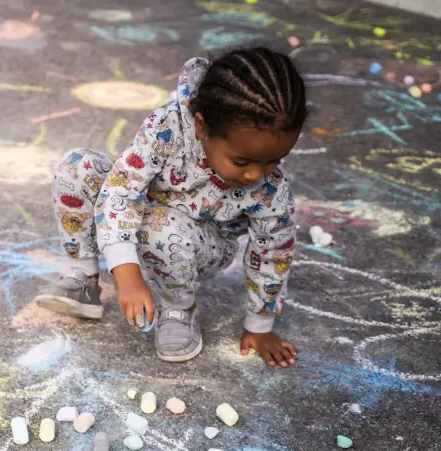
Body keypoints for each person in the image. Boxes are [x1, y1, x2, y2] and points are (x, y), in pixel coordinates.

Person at [36, 48, 305, 367]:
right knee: (77, 167)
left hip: (201, 246)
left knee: (159, 224)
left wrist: (260, 327)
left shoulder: (269, 187)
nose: (255, 174)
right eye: (241, 161)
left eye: (274, 159)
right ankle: (83, 279)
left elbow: (273, 252)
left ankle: (179, 307)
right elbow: (122, 188)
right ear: (202, 127)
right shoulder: (169, 125)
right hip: (141, 220)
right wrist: (127, 275)